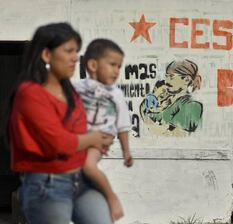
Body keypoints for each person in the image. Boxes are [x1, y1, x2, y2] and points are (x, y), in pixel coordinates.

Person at [8, 22, 114, 224]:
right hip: (46, 185)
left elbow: (78, 134)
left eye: (76, 51)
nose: (76, 57)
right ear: (47, 55)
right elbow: (58, 143)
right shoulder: (30, 93)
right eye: (69, 51)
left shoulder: (70, 92)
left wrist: (99, 141)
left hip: (80, 180)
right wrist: (93, 138)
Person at [73, 38, 133, 221]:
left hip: (100, 139)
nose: (116, 71)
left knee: (89, 167)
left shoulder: (116, 94)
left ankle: (111, 198)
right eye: (112, 64)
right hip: (78, 137)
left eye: (119, 66)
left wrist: (126, 151)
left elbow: (123, 125)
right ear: (92, 65)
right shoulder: (76, 87)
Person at [140, 59, 203, 136]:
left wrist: (148, 119)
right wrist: (156, 94)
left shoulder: (192, 105)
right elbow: (147, 113)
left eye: (171, 77)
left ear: (186, 79)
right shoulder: (167, 99)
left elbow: (175, 135)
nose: (166, 81)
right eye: (166, 77)